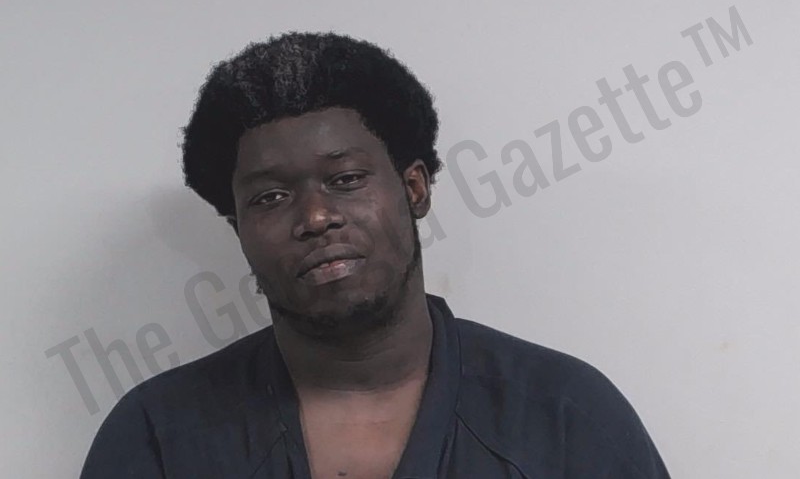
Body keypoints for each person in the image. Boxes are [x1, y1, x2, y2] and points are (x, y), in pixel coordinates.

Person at [80, 32, 671, 478]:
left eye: (346, 179)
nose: (316, 217)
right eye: (271, 197)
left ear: (414, 189)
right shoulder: (160, 436)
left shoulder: (565, 416)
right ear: (239, 230)